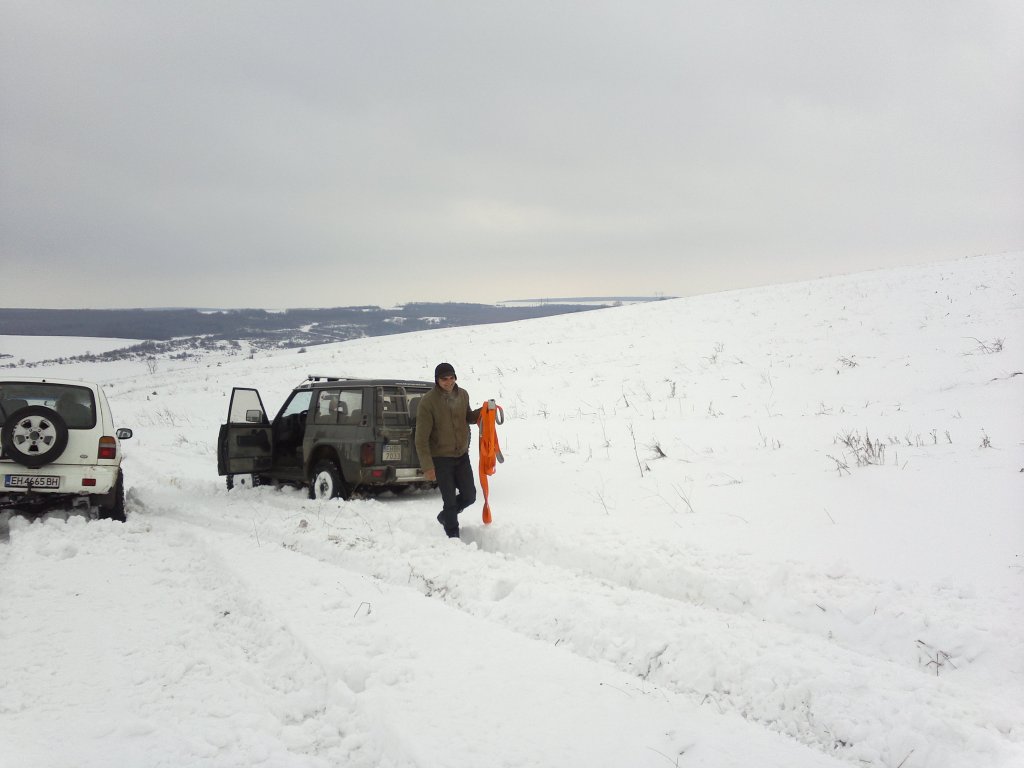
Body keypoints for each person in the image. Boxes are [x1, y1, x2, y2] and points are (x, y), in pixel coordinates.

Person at [415, 362, 481, 538]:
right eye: (444, 379)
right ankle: (453, 535)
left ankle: (445, 517)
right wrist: (427, 466)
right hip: (441, 459)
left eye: (451, 378)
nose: (449, 382)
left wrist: (484, 412)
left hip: (461, 456)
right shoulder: (428, 402)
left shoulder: (463, 395)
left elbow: (468, 417)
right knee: (450, 501)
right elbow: (421, 439)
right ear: (437, 380)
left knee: (470, 496)